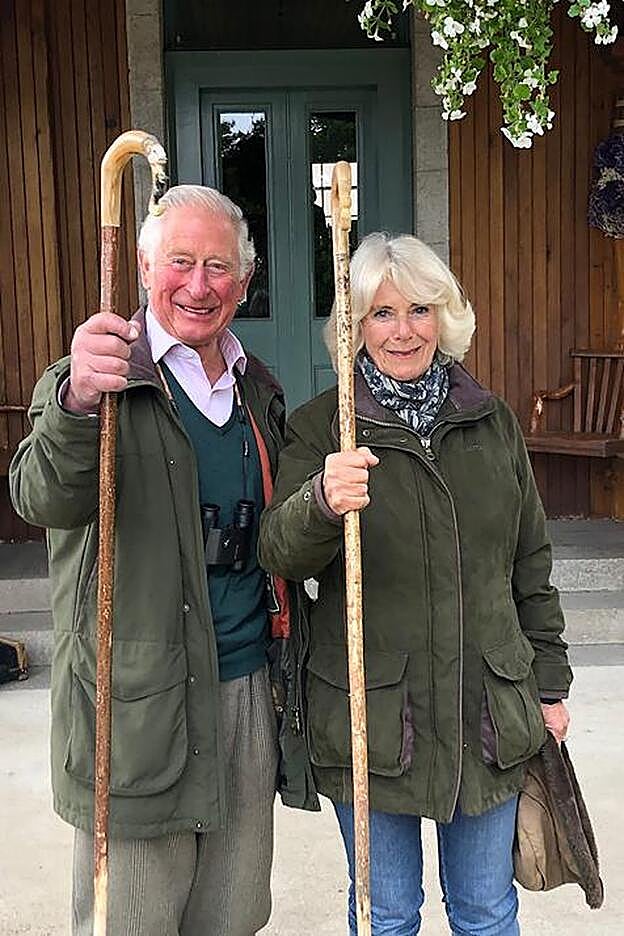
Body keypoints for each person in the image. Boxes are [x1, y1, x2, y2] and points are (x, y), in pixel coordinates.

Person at [258, 232, 573, 936]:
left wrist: (549, 687)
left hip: (484, 710)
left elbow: (530, 563)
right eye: (381, 313)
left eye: (420, 310)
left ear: (445, 316)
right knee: (387, 915)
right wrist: (319, 501)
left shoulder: (490, 424)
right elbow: (278, 551)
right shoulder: (321, 427)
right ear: (355, 327)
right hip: (375, 718)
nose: (403, 331)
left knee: (487, 911)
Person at [9, 184, 300, 936]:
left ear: (245, 279)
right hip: (136, 703)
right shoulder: (100, 380)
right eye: (180, 262)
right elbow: (41, 495)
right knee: (129, 922)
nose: (198, 286)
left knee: (231, 916)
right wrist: (75, 399)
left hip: (243, 690)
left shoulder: (257, 390)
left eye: (218, 267)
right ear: (143, 265)